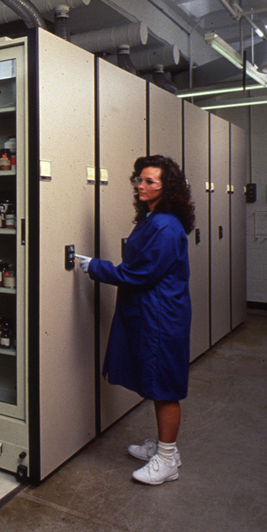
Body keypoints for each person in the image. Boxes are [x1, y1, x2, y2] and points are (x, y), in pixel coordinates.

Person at [75, 155, 195, 485]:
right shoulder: (152, 218)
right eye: (138, 180)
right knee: (156, 380)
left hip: (161, 317)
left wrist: (93, 267)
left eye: (150, 182)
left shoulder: (164, 226)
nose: (141, 186)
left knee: (165, 386)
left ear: (167, 187)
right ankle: (164, 447)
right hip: (151, 312)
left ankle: (167, 459)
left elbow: (139, 273)